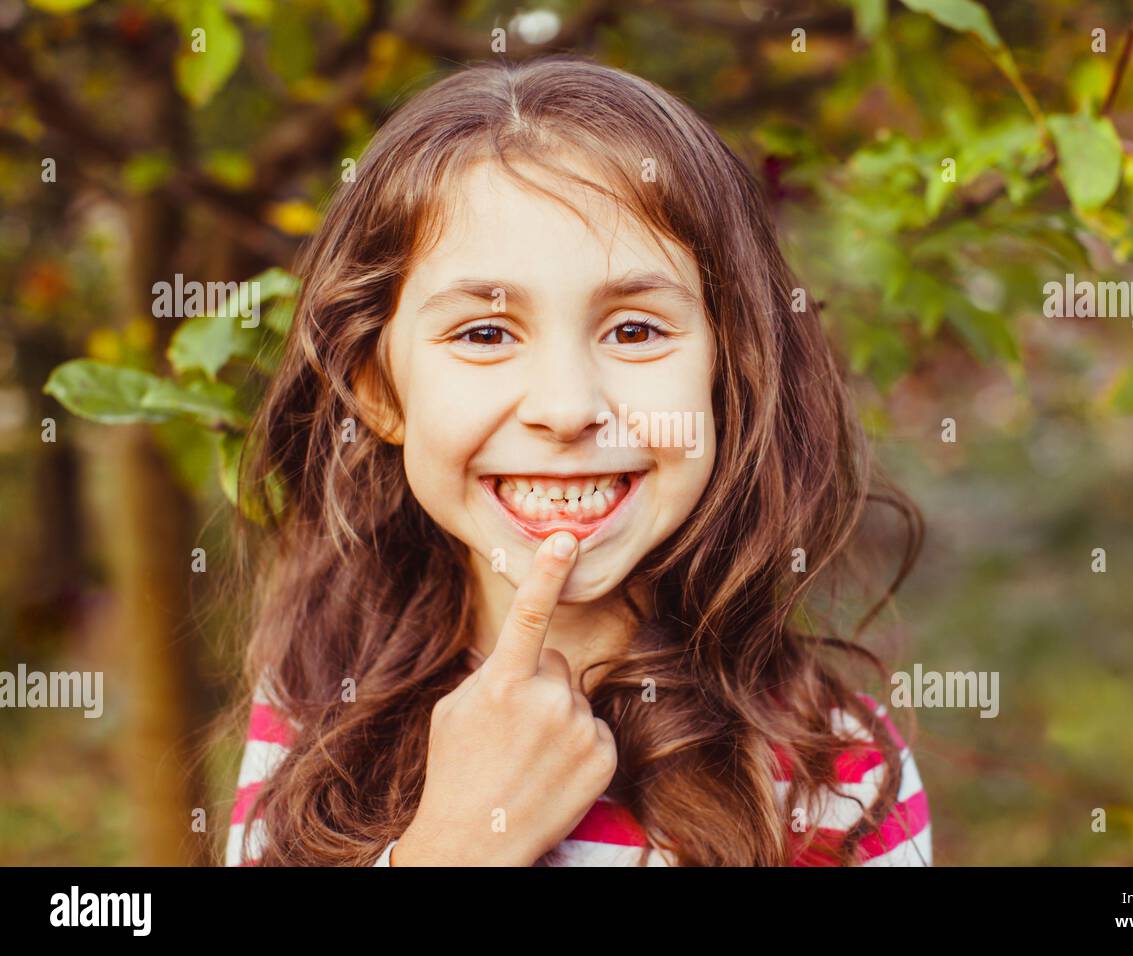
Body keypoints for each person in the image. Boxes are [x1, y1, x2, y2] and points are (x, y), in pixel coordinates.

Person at [223, 54, 930, 867]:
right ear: (380, 393)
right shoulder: (316, 700)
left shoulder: (833, 774)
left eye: (635, 330)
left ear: (727, 377)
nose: (565, 409)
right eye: (484, 334)